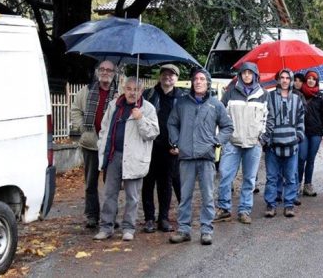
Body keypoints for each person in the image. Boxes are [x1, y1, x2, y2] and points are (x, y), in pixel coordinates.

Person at [168, 69, 233, 246]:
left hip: (206, 157)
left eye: (202, 79)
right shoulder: (181, 104)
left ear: (207, 83)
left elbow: (227, 127)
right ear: (192, 82)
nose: (198, 82)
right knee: (185, 196)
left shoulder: (215, 104)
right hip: (186, 156)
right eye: (195, 79)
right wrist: (176, 142)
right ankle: (184, 230)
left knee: (207, 195)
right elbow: (172, 123)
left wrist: (216, 141)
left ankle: (206, 230)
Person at [92, 77, 160, 241]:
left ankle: (128, 228)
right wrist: (102, 146)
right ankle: (106, 227)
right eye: (129, 88)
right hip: (114, 155)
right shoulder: (114, 105)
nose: (132, 92)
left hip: (135, 157)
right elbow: (104, 128)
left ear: (141, 91)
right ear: (124, 89)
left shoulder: (147, 108)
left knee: (132, 196)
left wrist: (140, 118)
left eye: (136, 89)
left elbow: (152, 133)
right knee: (109, 194)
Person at [214, 62, 269, 224]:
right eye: (244, 73)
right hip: (233, 142)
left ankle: (245, 210)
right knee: (225, 174)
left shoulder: (263, 95)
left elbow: (268, 118)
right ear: (240, 75)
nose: (247, 76)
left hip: (253, 143)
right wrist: (223, 137)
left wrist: (262, 139)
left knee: (249, 179)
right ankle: (224, 208)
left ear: (255, 75)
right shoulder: (230, 92)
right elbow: (221, 115)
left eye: (250, 73)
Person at [71, 60, 118, 229]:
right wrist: (82, 128)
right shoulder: (86, 91)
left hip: (111, 146)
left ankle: (110, 216)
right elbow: (75, 109)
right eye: (102, 69)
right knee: (90, 183)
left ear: (114, 73)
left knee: (111, 184)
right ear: (97, 71)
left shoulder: (119, 94)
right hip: (91, 143)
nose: (105, 72)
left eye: (109, 70)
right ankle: (92, 215)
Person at [140, 64, 186, 233]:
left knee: (165, 184)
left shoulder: (181, 97)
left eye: (172, 75)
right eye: (165, 74)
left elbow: (186, 124)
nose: (168, 77)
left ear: (177, 78)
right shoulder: (148, 95)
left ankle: (163, 218)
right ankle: (149, 219)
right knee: (148, 183)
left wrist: (180, 144)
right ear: (160, 77)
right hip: (149, 146)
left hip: (170, 149)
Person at [261, 69, 305, 218]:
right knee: (272, 177)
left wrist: (298, 136)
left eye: (288, 78)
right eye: (282, 77)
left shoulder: (297, 99)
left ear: (291, 80)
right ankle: (271, 205)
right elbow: (264, 118)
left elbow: (300, 119)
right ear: (278, 80)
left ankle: (289, 205)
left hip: (292, 144)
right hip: (273, 144)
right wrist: (266, 139)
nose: (285, 80)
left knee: (291, 177)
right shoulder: (270, 97)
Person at [297, 70, 323, 198]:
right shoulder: (299, 95)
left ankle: (308, 184)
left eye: (313, 79)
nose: (311, 80)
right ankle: (297, 183)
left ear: (316, 81)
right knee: (301, 157)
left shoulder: (321, 97)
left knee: (310, 159)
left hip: (316, 132)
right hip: (303, 132)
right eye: (309, 78)